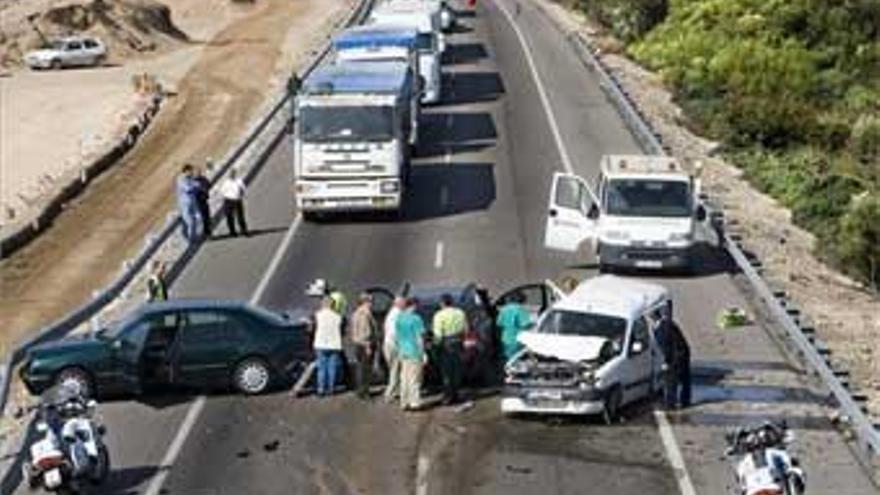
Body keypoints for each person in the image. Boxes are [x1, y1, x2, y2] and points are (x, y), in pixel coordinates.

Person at [653, 300, 692, 410]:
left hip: (678, 355)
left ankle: (671, 404)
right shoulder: (665, 324)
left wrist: (666, 361)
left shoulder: (662, 327)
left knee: (671, 380)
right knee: (683, 379)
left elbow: (666, 346)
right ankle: (684, 401)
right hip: (682, 352)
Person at [432, 294, 466, 405]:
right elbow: (466, 329)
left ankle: (448, 396)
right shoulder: (460, 313)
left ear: (442, 303)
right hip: (458, 343)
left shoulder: (439, 315)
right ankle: (456, 394)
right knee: (457, 370)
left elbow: (438, 335)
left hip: (446, 345)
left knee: (446, 372)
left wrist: (435, 347)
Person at [395, 297, 426, 411]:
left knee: (404, 377)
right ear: (413, 306)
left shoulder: (399, 318)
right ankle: (414, 403)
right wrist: (423, 353)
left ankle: (404, 402)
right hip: (414, 351)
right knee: (415, 378)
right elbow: (419, 338)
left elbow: (398, 337)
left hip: (403, 351)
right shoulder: (416, 319)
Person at [312, 296, 344, 397]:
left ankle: (321, 389)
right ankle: (331, 389)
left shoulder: (318, 315)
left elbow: (313, 327)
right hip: (334, 344)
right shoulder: (337, 316)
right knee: (332, 368)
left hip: (321, 343)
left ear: (323, 304)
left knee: (321, 368)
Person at [351, 293, 378, 400]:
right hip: (365, 344)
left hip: (358, 344)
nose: (372, 304)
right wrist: (368, 346)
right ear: (365, 302)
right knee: (366, 370)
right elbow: (365, 331)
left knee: (360, 368)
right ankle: (364, 392)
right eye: (370, 301)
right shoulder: (365, 314)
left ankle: (360, 390)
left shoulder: (356, 313)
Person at [497, 292, 532, 362]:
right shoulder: (520, 310)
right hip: (517, 339)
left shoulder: (504, 309)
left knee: (508, 359)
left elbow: (499, 323)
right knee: (517, 359)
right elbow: (526, 324)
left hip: (505, 338)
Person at [383, 297, 405, 403]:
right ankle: (389, 393)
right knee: (395, 370)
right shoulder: (398, 314)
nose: (404, 305)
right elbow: (394, 332)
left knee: (394, 369)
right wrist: (400, 344)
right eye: (403, 303)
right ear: (399, 304)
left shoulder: (391, 314)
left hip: (388, 344)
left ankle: (397, 391)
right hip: (394, 345)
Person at [220, 168, 248, 237]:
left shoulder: (239, 181)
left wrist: (241, 194)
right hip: (229, 200)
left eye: (233, 173)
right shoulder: (226, 182)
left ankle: (244, 230)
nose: (232, 175)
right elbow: (222, 191)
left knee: (240, 216)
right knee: (229, 216)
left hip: (237, 200)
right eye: (231, 173)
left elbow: (244, 189)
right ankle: (232, 231)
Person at [176, 164, 201, 242]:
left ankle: (194, 236)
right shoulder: (180, 179)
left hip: (193, 202)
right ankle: (190, 239)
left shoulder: (190, 178)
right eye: (190, 171)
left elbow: (198, 185)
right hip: (184, 204)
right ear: (186, 171)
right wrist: (194, 186)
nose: (192, 173)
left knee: (197, 219)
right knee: (189, 222)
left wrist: (195, 185)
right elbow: (188, 189)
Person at [193, 166, 212, 238]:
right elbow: (193, 192)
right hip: (198, 202)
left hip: (204, 201)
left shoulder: (203, 179)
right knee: (202, 218)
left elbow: (209, 185)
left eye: (199, 172)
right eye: (197, 172)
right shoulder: (193, 181)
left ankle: (208, 232)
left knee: (207, 217)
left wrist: (204, 189)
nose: (198, 173)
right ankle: (204, 233)